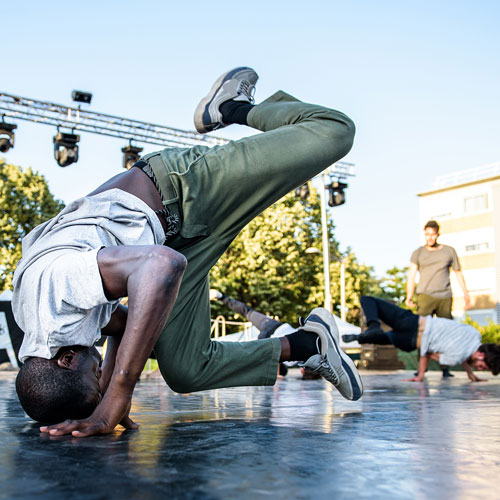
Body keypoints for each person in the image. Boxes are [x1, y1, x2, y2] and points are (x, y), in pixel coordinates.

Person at [13, 66, 362, 438]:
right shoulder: (52, 334)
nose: (102, 371)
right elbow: (127, 322)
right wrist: (105, 400)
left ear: (66, 361)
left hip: (183, 189)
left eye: (94, 373)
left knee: (334, 132)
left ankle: (231, 108)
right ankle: (308, 344)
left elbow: (161, 266)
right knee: (184, 368)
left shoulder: (55, 285)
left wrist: (118, 391)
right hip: (173, 237)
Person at [342, 296, 500, 382]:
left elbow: (467, 353)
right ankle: (362, 338)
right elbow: (428, 353)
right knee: (388, 338)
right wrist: (420, 375)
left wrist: (470, 373)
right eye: (482, 366)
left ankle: (373, 324)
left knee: (367, 300)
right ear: (482, 355)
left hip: (413, 322)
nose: (480, 369)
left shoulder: (474, 334)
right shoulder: (455, 358)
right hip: (410, 341)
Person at [406, 220, 470, 377]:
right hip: (425, 296)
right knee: (422, 332)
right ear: (424, 234)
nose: (430, 238)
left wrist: (466, 294)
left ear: (437, 234)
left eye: (432, 234)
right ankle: (422, 369)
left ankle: (445, 369)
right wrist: (409, 296)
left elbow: (458, 273)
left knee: (446, 333)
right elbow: (412, 275)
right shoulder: (418, 253)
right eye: (427, 234)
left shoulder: (449, 251)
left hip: (445, 296)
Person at [209, 289, 321, 379]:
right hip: (270, 332)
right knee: (256, 353)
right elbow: (277, 353)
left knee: (248, 312)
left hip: (275, 326)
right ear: (302, 370)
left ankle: (221, 296)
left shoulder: (313, 350)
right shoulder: (294, 360)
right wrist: (278, 375)